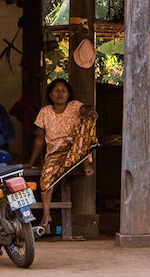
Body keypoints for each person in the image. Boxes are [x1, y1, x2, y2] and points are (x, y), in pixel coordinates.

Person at [26, 78, 97, 229]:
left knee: (87, 123)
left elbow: (84, 110)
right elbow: (39, 139)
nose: (60, 93)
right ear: (50, 95)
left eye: (63, 90)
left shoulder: (75, 106)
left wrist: (90, 110)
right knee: (45, 178)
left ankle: (84, 163)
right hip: (55, 152)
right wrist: (31, 162)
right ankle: (46, 214)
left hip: (75, 148)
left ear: (69, 94)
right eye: (56, 90)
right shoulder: (44, 112)